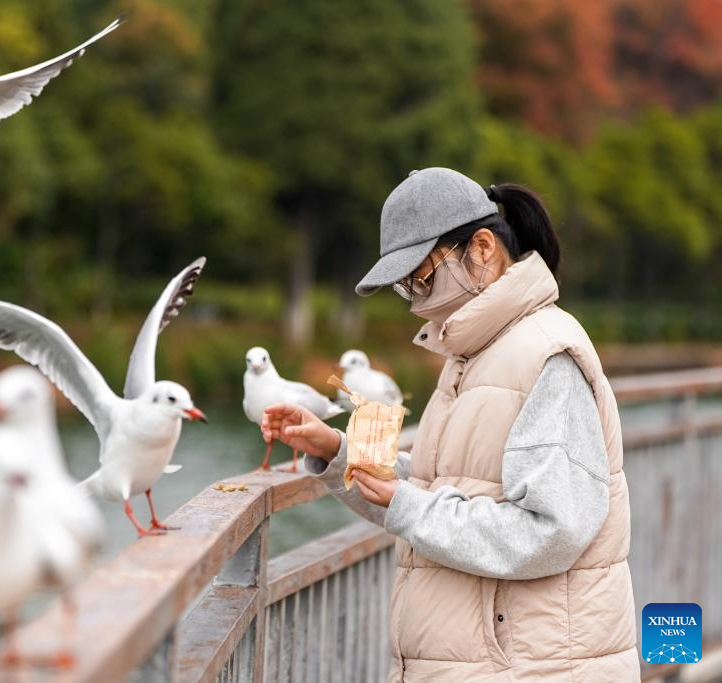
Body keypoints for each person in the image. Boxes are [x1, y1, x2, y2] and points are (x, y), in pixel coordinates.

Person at [261, 168, 639, 681]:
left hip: (533, 668)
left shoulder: (545, 353)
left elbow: (553, 531)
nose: (416, 301)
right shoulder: (472, 354)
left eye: (423, 277)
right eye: (405, 287)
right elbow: (441, 488)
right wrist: (336, 452)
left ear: (482, 248)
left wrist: (409, 505)